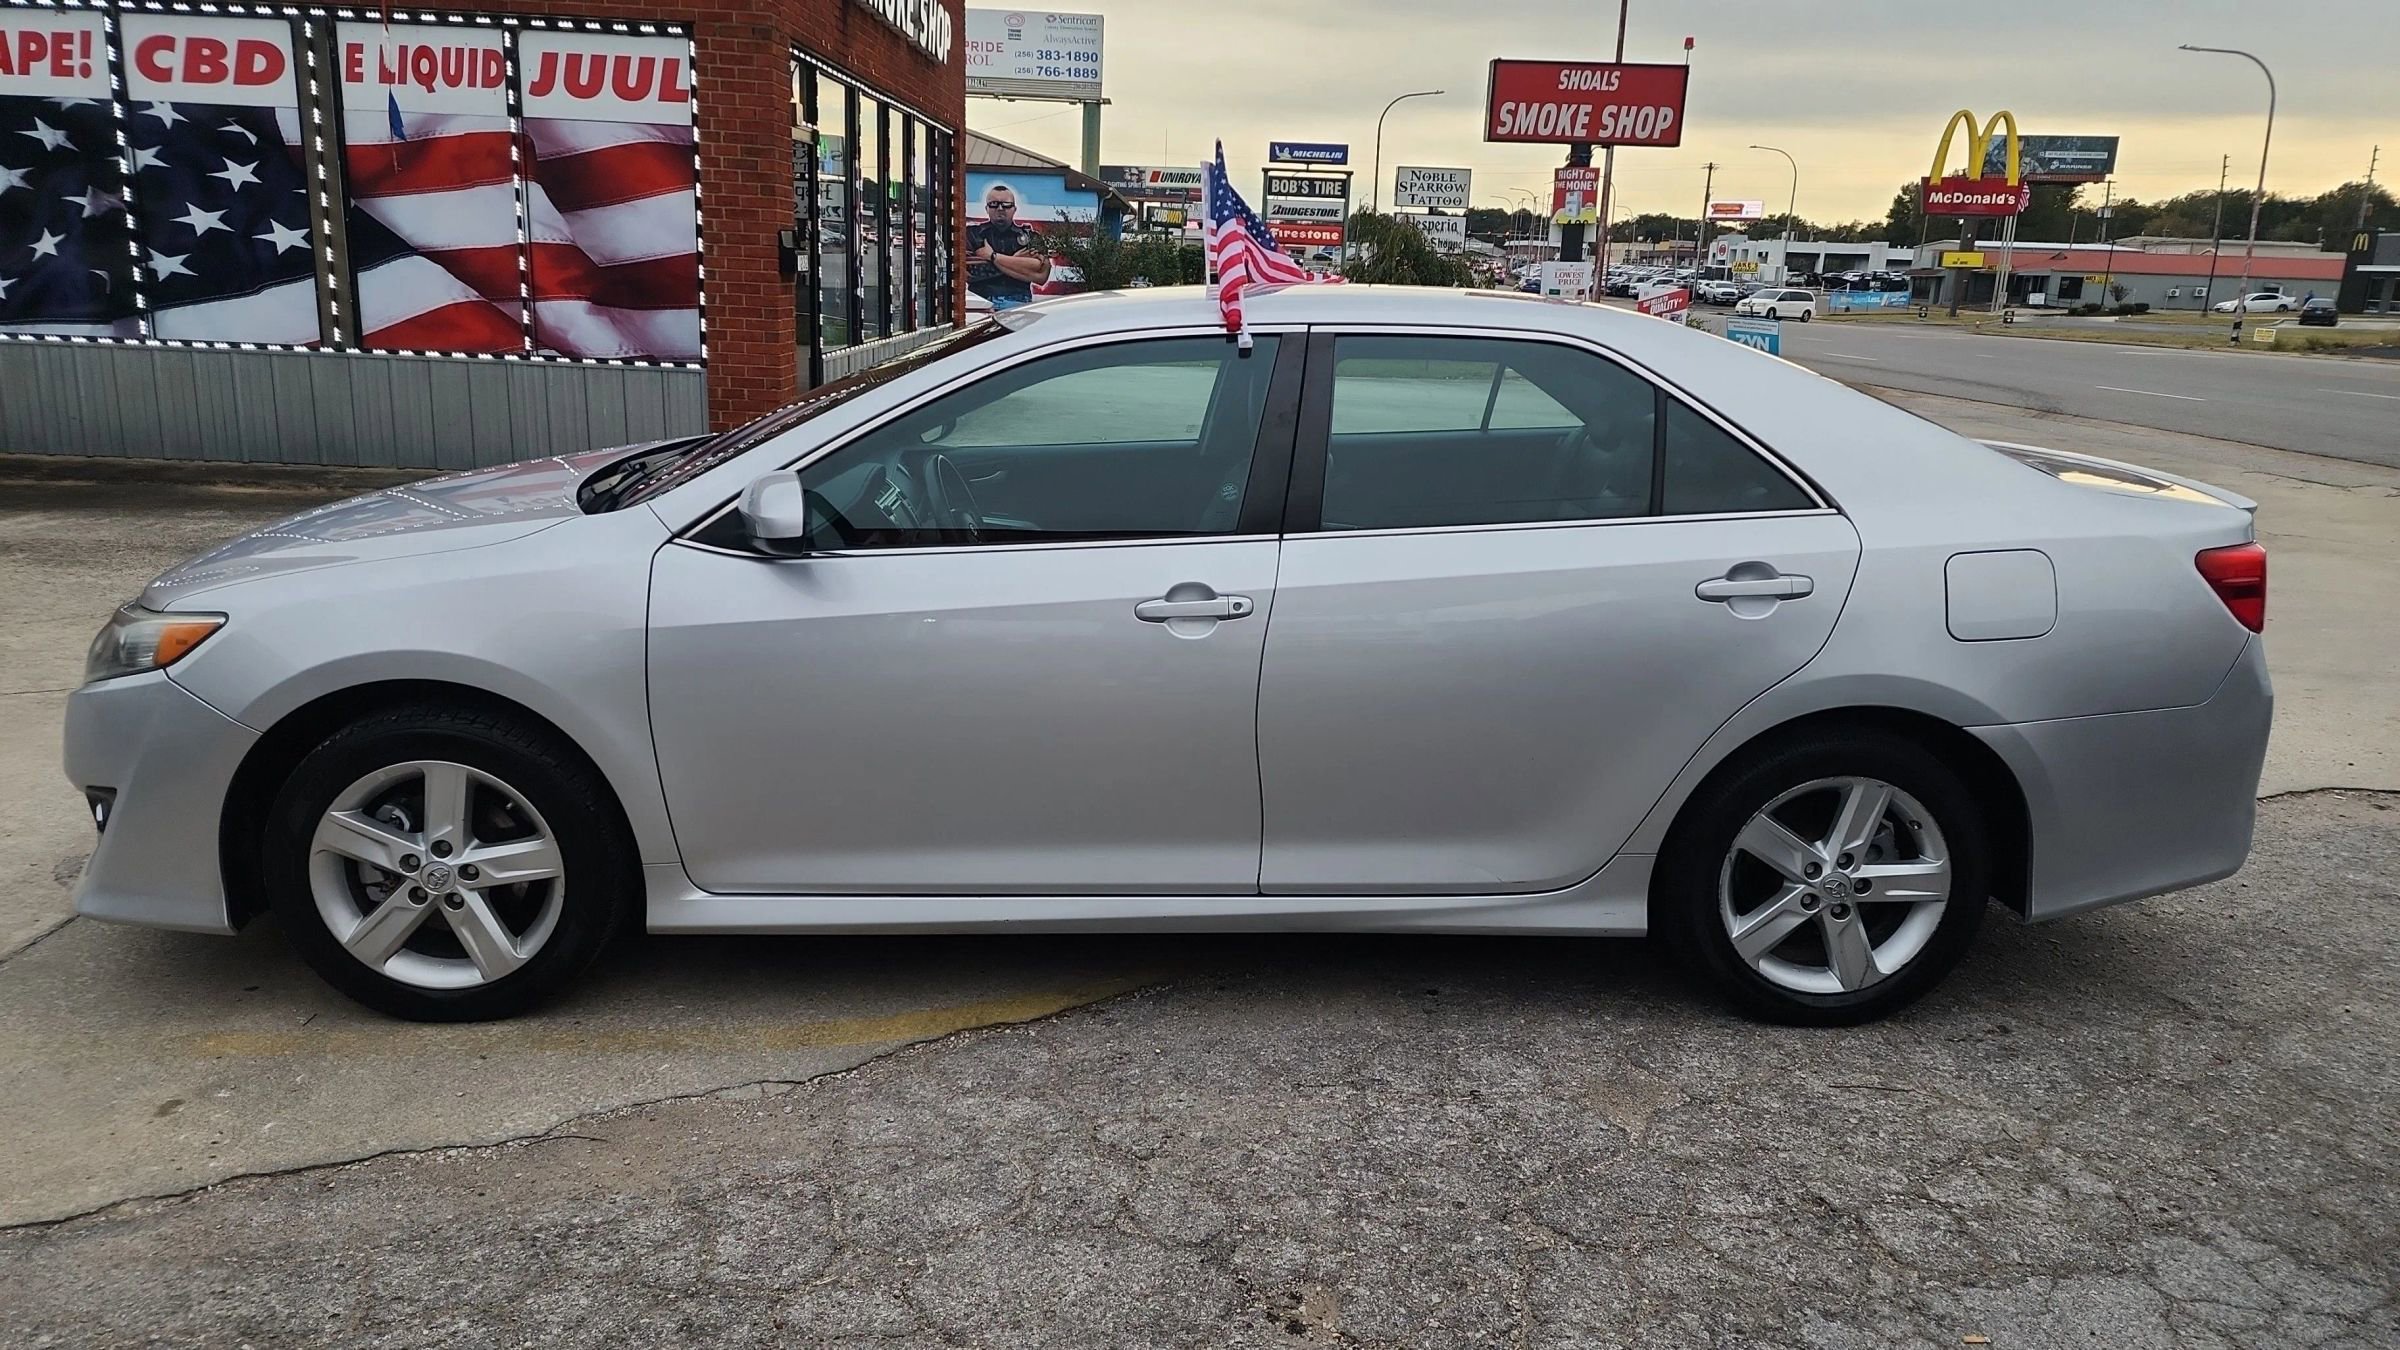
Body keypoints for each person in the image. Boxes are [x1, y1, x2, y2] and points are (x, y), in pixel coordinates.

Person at [964, 184, 1050, 311]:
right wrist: (1017, 262)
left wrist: (992, 257)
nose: (1000, 208)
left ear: (1014, 208)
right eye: (994, 204)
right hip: (981, 302)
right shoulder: (971, 234)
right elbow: (970, 274)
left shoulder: (1031, 237)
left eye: (1006, 204)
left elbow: (1041, 275)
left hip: (1019, 303)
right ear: (987, 208)